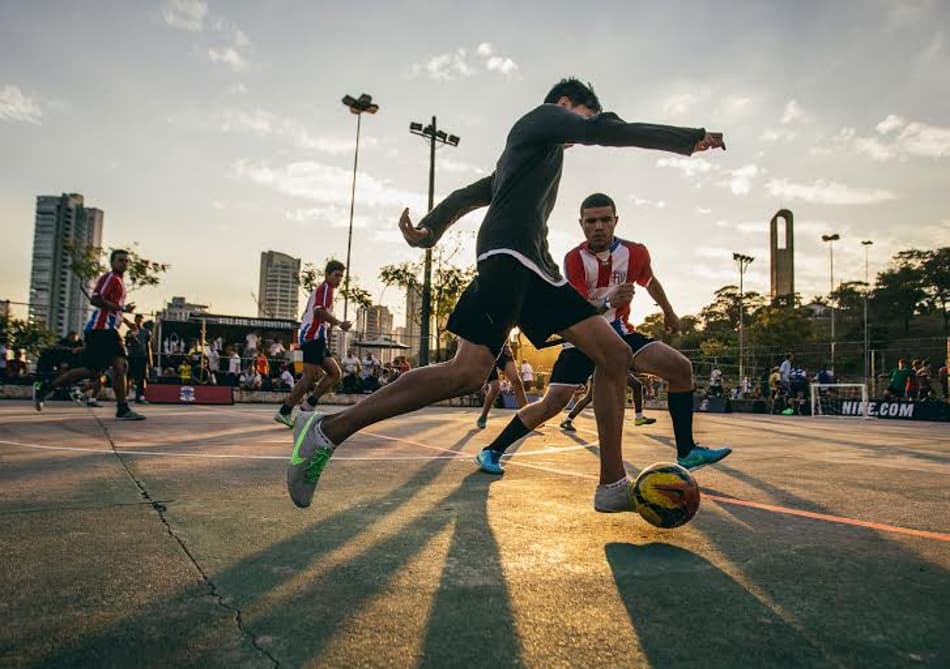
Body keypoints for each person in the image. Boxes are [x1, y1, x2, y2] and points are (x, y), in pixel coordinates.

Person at [286, 77, 726, 512]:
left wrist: (429, 230)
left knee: (611, 354)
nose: (577, 138)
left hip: (534, 266)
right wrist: (688, 139)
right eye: (581, 119)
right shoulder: (542, 119)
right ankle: (327, 430)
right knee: (466, 374)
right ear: (567, 104)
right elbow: (603, 130)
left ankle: (612, 485)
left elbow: (473, 192)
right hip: (509, 257)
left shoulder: (532, 154)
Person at [474, 192, 728, 474]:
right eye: (591, 221)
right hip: (584, 337)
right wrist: (608, 301)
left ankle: (686, 451)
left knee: (681, 368)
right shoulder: (574, 259)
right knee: (552, 403)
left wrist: (668, 312)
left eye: (605, 220)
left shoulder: (635, 253)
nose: (598, 226)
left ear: (615, 221)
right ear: (581, 224)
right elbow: (579, 307)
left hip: (619, 333)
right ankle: (492, 449)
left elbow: (650, 280)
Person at [33, 249, 145, 420]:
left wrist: (125, 320)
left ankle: (46, 388)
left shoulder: (120, 282)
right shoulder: (110, 278)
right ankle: (122, 408)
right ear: (112, 262)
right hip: (101, 330)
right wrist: (121, 309)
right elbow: (96, 299)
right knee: (117, 365)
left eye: (126, 261)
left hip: (106, 330)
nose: (124, 263)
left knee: (95, 370)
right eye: (121, 260)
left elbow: (111, 309)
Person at [274, 260, 352, 426]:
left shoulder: (323, 290)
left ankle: (309, 404)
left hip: (317, 338)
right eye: (336, 275)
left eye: (341, 277)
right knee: (310, 377)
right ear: (327, 275)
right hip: (312, 337)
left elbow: (308, 314)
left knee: (335, 373)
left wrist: (327, 327)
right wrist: (339, 323)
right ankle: (285, 411)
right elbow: (318, 311)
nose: (339, 279)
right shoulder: (326, 289)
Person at [561, 373, 655, 431]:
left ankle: (639, 417)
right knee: (589, 397)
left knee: (637, 385)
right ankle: (568, 420)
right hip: (603, 368)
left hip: (616, 367)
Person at [476, 342, 529, 429]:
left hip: (502, 349)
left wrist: (507, 343)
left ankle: (528, 416)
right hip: (485, 351)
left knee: (516, 382)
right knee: (495, 387)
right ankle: (484, 416)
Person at [124, 313, 152, 404]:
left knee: (142, 377)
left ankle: (140, 396)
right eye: (137, 320)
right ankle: (126, 396)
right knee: (128, 377)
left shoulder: (146, 332)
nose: (139, 322)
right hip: (131, 356)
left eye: (140, 320)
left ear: (142, 321)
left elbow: (148, 346)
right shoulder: (129, 332)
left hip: (142, 356)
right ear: (135, 320)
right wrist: (130, 338)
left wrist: (150, 359)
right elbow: (126, 344)